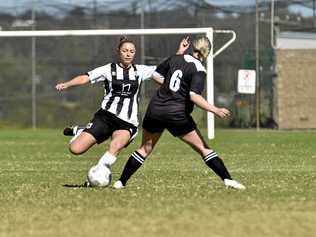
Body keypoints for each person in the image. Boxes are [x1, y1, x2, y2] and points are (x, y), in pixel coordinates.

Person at [113, 36, 246, 190]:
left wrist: (170, 83)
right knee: (203, 149)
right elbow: (194, 96)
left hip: (155, 109)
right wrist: (215, 109)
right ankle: (228, 180)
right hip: (176, 114)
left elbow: (156, 75)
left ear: (192, 47)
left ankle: (120, 182)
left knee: (144, 149)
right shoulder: (199, 70)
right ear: (207, 52)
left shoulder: (176, 58)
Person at [55, 36, 188, 183]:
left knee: (116, 146)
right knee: (75, 149)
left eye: (131, 51)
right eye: (125, 51)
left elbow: (166, 67)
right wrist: (67, 84)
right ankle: (81, 131)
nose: (128, 53)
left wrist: (179, 52)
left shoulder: (140, 71)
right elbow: (86, 77)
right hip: (105, 117)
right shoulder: (108, 69)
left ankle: (97, 176)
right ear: (119, 52)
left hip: (127, 122)